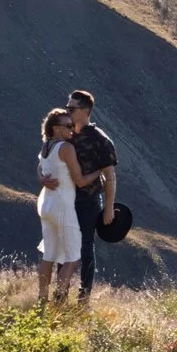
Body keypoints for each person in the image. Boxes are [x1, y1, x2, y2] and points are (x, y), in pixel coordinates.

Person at [66, 88, 118, 303]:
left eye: (72, 108)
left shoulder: (100, 140)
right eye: (67, 106)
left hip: (87, 200)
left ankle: (83, 297)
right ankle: (61, 292)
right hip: (64, 199)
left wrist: (108, 208)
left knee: (86, 246)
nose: (67, 110)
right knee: (65, 245)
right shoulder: (64, 133)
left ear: (85, 111)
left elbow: (110, 177)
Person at [34, 107, 86, 307]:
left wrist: (41, 178)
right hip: (62, 205)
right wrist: (101, 171)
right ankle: (59, 298)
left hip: (46, 203)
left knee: (49, 254)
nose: (72, 129)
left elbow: (39, 167)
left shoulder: (46, 146)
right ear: (56, 128)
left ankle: (42, 299)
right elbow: (79, 180)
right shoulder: (66, 148)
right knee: (73, 255)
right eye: (68, 126)